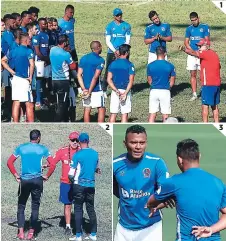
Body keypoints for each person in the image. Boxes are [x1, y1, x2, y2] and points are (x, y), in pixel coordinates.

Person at [146, 139, 226, 241]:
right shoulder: (218, 182)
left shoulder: (173, 182)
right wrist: (211, 229)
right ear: (199, 156)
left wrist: (154, 205)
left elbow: (151, 202)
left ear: (180, 159)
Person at [113, 125, 169, 241]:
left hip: (151, 227)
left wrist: (158, 203)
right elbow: (115, 188)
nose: (138, 147)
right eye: (133, 143)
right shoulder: (115, 164)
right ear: (125, 143)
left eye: (142, 143)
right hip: (123, 228)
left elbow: (166, 191)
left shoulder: (157, 163)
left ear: (146, 143)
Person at [7, 129, 55, 240]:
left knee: (21, 205)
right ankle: (31, 233)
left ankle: (21, 232)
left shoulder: (22, 147)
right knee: (35, 206)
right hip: (37, 180)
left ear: (30, 137)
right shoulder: (43, 149)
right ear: (38, 138)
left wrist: (16, 175)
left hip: (24, 180)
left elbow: (9, 162)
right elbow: (52, 164)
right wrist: (47, 175)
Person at [68, 133, 101, 241]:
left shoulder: (77, 155)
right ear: (88, 141)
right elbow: (95, 168)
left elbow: (71, 173)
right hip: (91, 185)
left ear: (79, 142)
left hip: (79, 185)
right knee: (91, 209)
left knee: (78, 210)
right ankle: (93, 234)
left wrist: (72, 182)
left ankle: (78, 236)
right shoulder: (95, 154)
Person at [180, 39, 221, 122]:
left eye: (200, 46)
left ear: (206, 46)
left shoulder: (205, 53)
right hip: (216, 84)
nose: (198, 47)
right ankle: (217, 124)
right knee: (215, 106)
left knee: (205, 106)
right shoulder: (214, 54)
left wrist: (184, 49)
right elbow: (219, 66)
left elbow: (193, 53)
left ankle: (205, 126)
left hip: (208, 84)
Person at [48, 131, 81, 235]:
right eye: (73, 140)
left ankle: (78, 226)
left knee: (78, 205)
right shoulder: (62, 151)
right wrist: (47, 165)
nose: (75, 142)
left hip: (78, 183)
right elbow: (53, 161)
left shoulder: (82, 151)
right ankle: (68, 226)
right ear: (69, 140)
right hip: (65, 183)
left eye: (77, 140)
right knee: (67, 205)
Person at [1, 32, 35, 122]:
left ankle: (15, 123)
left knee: (16, 102)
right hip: (24, 79)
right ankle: (31, 124)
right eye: (29, 40)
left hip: (15, 79)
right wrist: (30, 76)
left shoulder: (13, 51)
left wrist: (12, 72)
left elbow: (3, 60)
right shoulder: (28, 51)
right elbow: (32, 64)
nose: (30, 41)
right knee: (29, 104)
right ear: (26, 40)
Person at [103, 8, 131, 95]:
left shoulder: (126, 25)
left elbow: (127, 40)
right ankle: (104, 89)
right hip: (112, 52)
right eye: (118, 15)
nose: (119, 16)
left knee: (125, 69)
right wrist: (115, 50)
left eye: (120, 14)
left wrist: (122, 51)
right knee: (108, 70)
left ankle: (126, 87)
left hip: (123, 52)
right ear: (114, 16)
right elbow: (108, 41)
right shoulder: (109, 26)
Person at [50, 34, 77, 122]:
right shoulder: (66, 54)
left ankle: (63, 120)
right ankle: (57, 122)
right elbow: (73, 66)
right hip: (63, 81)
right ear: (64, 42)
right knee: (62, 104)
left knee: (58, 101)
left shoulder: (52, 50)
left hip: (54, 80)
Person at [77, 41, 105, 122]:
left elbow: (79, 75)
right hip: (96, 89)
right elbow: (95, 77)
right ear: (98, 47)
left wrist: (84, 89)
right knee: (101, 108)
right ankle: (101, 127)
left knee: (87, 109)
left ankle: (87, 127)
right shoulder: (100, 60)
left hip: (85, 88)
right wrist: (89, 91)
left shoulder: (83, 58)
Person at [184, 12, 210, 101]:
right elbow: (186, 42)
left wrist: (201, 51)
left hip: (201, 54)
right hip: (192, 54)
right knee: (192, 73)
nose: (194, 22)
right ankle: (194, 94)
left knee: (202, 74)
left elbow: (207, 41)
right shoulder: (189, 29)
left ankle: (204, 92)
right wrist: (192, 51)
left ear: (198, 18)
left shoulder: (205, 27)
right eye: (192, 20)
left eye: (195, 20)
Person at [147, 46, 176, 122]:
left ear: (156, 53)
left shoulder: (150, 66)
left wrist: (153, 86)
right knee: (165, 114)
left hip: (153, 91)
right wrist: (167, 87)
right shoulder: (170, 66)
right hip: (165, 91)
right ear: (165, 53)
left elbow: (149, 80)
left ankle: (149, 131)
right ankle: (165, 132)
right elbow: (172, 81)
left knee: (152, 114)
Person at [107, 44, 135, 123]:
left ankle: (110, 132)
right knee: (124, 114)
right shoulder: (130, 65)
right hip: (125, 90)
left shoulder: (113, 64)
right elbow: (131, 80)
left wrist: (115, 90)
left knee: (113, 113)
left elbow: (109, 79)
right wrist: (125, 93)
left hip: (115, 91)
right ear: (126, 53)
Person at [32, 17, 50, 110]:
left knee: (44, 80)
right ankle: (38, 101)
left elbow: (47, 48)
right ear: (39, 24)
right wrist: (45, 59)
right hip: (39, 61)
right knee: (39, 80)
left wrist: (47, 60)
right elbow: (37, 51)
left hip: (45, 61)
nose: (45, 25)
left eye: (46, 24)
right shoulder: (37, 35)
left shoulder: (46, 35)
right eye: (43, 24)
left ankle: (43, 99)